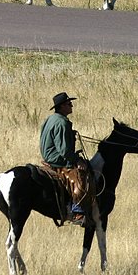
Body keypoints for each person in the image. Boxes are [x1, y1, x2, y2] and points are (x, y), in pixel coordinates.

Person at [39, 91, 92, 225]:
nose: (72, 106)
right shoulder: (62, 123)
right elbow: (64, 151)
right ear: (62, 106)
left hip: (48, 155)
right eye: (69, 103)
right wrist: (76, 160)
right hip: (57, 158)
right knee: (81, 175)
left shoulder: (50, 119)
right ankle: (77, 211)